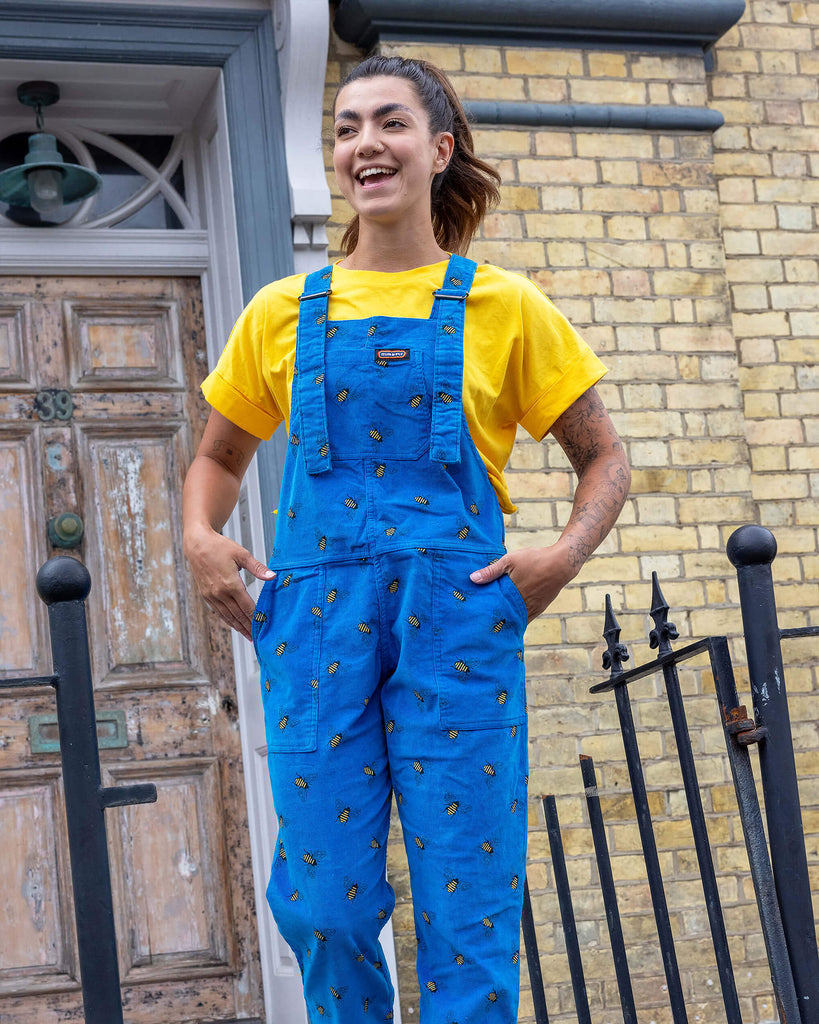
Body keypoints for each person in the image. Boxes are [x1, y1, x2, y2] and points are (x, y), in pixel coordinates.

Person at [183, 54, 630, 1024]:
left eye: (387, 123)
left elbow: (604, 459)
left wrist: (560, 555)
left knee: (467, 911)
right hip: (316, 630)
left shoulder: (505, 307)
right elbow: (215, 460)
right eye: (346, 128)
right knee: (325, 904)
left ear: (439, 148)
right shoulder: (278, 314)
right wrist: (198, 537)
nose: (363, 145)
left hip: (459, 628)